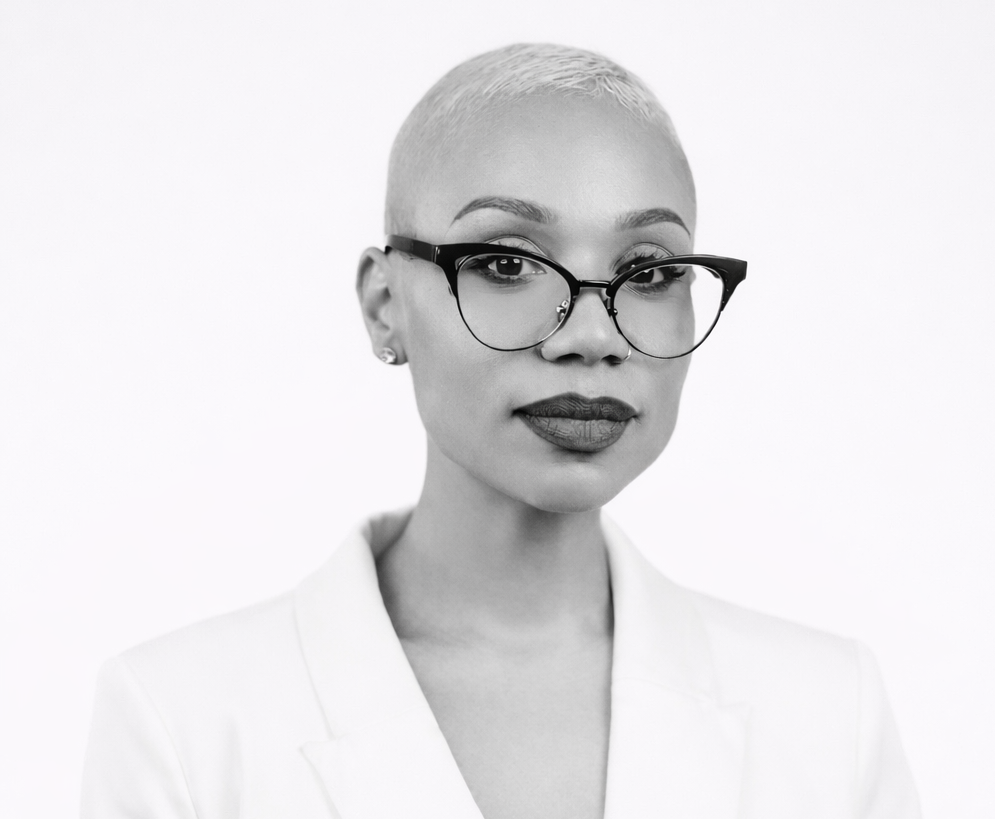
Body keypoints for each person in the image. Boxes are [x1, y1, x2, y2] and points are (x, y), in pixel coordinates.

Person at [81, 43, 921, 819]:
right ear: (384, 303)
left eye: (650, 271)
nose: (592, 335)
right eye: (507, 264)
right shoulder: (180, 723)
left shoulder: (828, 715)